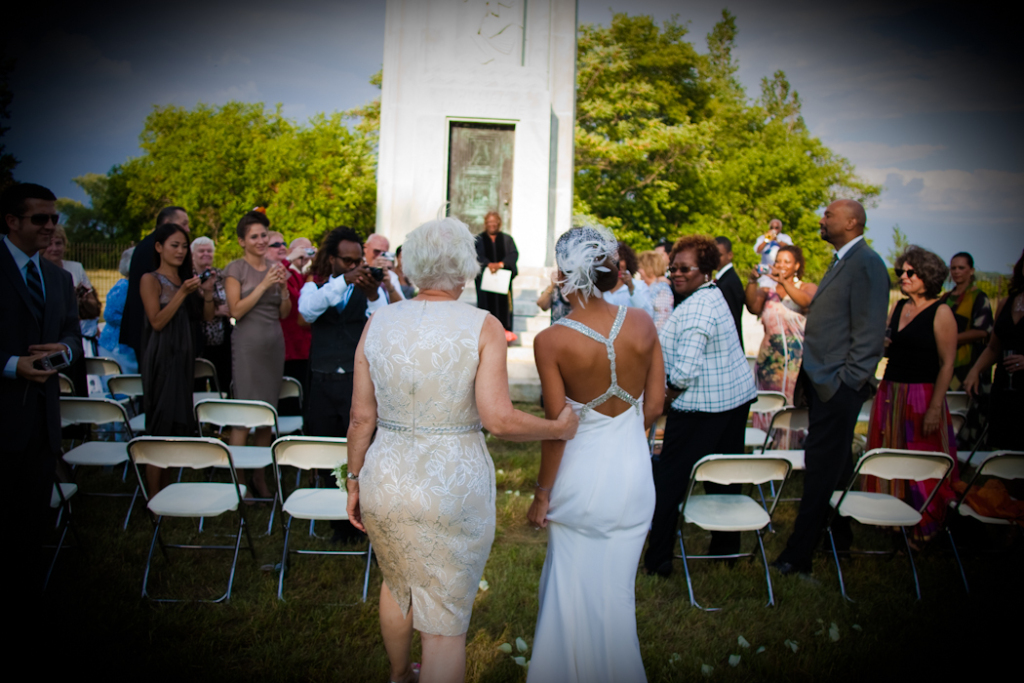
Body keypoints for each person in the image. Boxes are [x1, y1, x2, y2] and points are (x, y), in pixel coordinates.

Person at [344, 217, 578, 683]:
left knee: (397, 584)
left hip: (385, 477)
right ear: (465, 268)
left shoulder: (381, 321)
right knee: (445, 624)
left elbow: (360, 418)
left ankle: (398, 675)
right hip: (452, 483)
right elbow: (500, 419)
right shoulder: (482, 324)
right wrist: (559, 426)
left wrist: (353, 481)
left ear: (412, 266)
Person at [526, 226, 664, 683]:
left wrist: (542, 495)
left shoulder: (552, 341)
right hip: (633, 478)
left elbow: (555, 430)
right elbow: (656, 405)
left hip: (579, 479)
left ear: (566, 272)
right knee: (616, 597)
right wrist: (624, 435)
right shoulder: (643, 324)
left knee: (568, 590)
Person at [771, 199, 890, 578]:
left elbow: (869, 334)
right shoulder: (842, 261)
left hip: (839, 387)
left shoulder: (867, 264)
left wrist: (847, 384)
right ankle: (837, 539)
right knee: (832, 468)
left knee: (821, 469)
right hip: (824, 384)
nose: (822, 220)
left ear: (853, 222)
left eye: (829, 215)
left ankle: (798, 556)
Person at [645, 235, 757, 575]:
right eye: (672, 268)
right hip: (733, 400)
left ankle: (659, 559)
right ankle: (725, 550)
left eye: (684, 269)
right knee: (724, 479)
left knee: (670, 482)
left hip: (700, 408)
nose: (676, 274)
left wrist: (659, 403)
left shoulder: (696, 308)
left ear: (706, 270)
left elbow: (684, 373)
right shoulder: (711, 294)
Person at [2, 183, 81, 581]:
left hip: (42, 421)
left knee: (33, 524)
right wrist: (13, 365)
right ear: (12, 221)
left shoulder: (57, 278)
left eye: (55, 218)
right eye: (40, 219)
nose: (51, 226)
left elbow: (71, 335)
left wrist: (64, 353)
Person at [861, 245, 959, 542]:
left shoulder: (941, 312)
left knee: (920, 457)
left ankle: (925, 524)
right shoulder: (899, 307)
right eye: (900, 271)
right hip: (891, 389)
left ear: (927, 276)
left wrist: (934, 408)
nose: (903, 276)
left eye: (910, 272)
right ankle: (890, 520)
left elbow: (947, 364)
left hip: (922, 393)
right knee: (888, 451)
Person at [139, 223, 215, 495]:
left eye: (184, 246)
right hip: (161, 358)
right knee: (160, 427)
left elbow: (206, 318)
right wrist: (183, 292)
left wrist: (206, 292)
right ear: (159, 247)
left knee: (175, 427)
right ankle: (152, 497)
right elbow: (156, 321)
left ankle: (166, 490)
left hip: (184, 359)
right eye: (175, 245)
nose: (181, 251)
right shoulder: (150, 279)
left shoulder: (186, 280)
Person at [223, 209, 289, 499]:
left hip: (273, 344)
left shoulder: (276, 267)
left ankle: (260, 478)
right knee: (244, 416)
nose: (261, 240)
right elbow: (235, 310)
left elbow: (284, 313)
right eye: (254, 236)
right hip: (247, 346)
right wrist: (264, 284)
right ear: (242, 241)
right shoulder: (235, 269)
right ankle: (237, 483)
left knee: (266, 415)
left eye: (264, 235)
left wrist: (284, 289)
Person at [745, 245, 817, 443]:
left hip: (796, 365)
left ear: (797, 266)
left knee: (791, 408)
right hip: (768, 364)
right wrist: (753, 281)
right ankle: (764, 451)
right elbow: (752, 306)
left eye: (787, 262)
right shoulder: (768, 291)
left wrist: (784, 282)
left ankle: (790, 457)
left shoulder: (806, 287)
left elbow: (806, 302)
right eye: (778, 261)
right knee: (767, 407)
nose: (781, 265)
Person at [965, 249, 1024, 450]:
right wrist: (975, 371)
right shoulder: (1007, 302)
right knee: (1002, 446)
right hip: (1004, 384)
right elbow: (993, 347)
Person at [121, 206, 189, 361]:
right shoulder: (152, 249)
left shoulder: (147, 244)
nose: (188, 229)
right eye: (184, 224)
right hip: (154, 338)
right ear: (167, 223)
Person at [941, 252, 994, 446]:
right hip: (947, 365)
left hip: (970, 365)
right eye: (953, 268)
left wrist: (949, 339)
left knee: (969, 410)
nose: (956, 272)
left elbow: (983, 331)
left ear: (971, 271)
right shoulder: (946, 298)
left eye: (961, 268)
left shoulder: (979, 298)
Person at [268, 231, 312, 410]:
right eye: (276, 244)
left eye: (283, 244)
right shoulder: (280, 272)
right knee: (286, 400)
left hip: (303, 345)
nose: (281, 247)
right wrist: (290, 258)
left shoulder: (300, 275)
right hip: (286, 344)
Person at [190, 236, 232, 394]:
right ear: (193, 254)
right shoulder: (188, 277)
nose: (206, 254)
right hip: (198, 338)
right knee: (197, 386)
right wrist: (216, 311)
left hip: (221, 337)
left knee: (222, 383)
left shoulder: (219, 275)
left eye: (209, 251)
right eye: (201, 251)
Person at [473, 211, 519, 341]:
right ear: (485, 224)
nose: (491, 224)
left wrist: (501, 264)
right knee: (485, 305)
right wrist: (487, 264)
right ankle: (486, 334)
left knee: (504, 306)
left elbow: (513, 254)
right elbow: (476, 256)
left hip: (502, 282)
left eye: (494, 222)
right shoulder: (479, 240)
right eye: (489, 222)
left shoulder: (507, 239)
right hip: (485, 282)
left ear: (499, 223)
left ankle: (505, 333)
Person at [97, 247, 139, 375]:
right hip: (116, 345)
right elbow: (110, 315)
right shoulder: (123, 287)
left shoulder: (135, 285)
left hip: (128, 345)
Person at [603, 241, 653, 318]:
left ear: (627, 261)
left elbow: (648, 315)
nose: (618, 264)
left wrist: (631, 289)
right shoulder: (600, 288)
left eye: (621, 259)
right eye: (612, 260)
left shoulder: (639, 286)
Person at [714, 237, 745, 348]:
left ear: (730, 255)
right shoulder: (723, 280)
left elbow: (732, 317)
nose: (715, 259)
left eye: (719, 255)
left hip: (730, 344)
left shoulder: (729, 282)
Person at [364, 233, 405, 302]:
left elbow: (401, 306)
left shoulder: (390, 276)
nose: (380, 256)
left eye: (384, 253)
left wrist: (389, 286)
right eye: (376, 251)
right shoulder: (356, 269)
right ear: (365, 248)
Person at [638, 249, 673, 329]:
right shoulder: (650, 287)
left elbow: (661, 321)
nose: (638, 270)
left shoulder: (662, 289)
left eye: (640, 267)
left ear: (649, 268)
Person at [754, 218, 793, 288]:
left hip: (780, 270)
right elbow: (757, 251)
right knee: (763, 290)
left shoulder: (785, 238)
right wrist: (766, 240)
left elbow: (791, 249)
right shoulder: (762, 238)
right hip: (765, 269)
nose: (774, 229)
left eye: (776, 228)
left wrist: (777, 239)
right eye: (772, 227)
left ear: (780, 228)